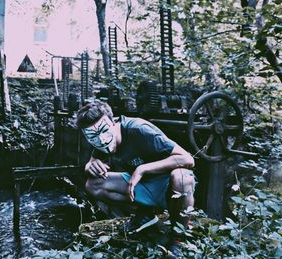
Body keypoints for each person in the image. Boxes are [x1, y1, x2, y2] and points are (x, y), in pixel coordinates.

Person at [76, 100, 195, 256]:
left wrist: (142, 169)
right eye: (92, 136)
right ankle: (146, 214)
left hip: (169, 184)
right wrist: (89, 167)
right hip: (142, 185)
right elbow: (91, 163)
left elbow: (188, 159)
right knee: (94, 185)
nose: (102, 140)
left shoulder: (139, 129)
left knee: (182, 177)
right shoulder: (100, 138)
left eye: (104, 131)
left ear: (113, 122)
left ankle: (177, 238)